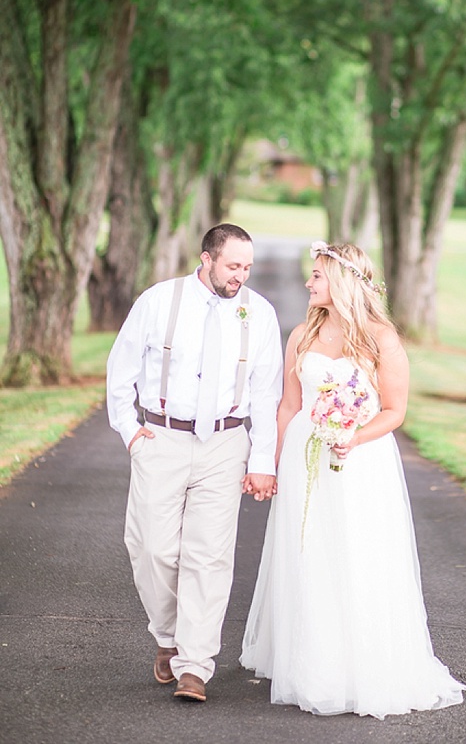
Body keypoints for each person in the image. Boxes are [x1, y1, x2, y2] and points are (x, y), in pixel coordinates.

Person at [240, 241, 466, 719]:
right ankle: (312, 665)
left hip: (360, 463)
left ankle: (362, 667)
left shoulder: (380, 339)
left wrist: (353, 437)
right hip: (306, 459)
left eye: (317, 276)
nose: (308, 283)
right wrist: (280, 460)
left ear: (341, 282)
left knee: (356, 552)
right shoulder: (301, 334)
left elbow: (394, 411)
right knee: (309, 553)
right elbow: (288, 404)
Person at [107, 223, 282, 703]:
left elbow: (266, 393)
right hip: (160, 436)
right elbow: (120, 367)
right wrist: (129, 430)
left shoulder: (259, 314)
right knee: (152, 548)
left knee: (209, 556)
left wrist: (263, 459)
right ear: (206, 259)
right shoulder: (159, 301)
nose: (240, 276)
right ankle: (168, 637)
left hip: (226, 443)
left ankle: (194, 665)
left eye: (246, 267)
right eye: (232, 266)